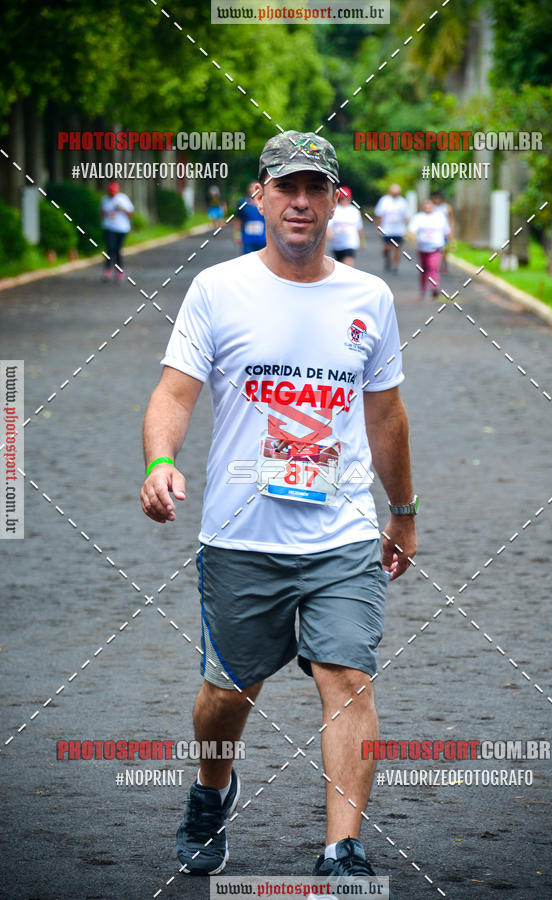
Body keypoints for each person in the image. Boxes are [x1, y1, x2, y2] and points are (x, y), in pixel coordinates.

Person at [140, 130, 418, 886]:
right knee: (226, 695)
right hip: (241, 535)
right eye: (285, 187)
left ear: (335, 201)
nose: (300, 202)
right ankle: (211, 790)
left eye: (314, 188)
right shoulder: (217, 289)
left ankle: (341, 850)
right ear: (258, 196)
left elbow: (385, 415)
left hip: (342, 533)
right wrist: (161, 461)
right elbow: (173, 393)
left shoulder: (368, 297)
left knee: (348, 678)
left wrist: (403, 509)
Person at [407, 197, 450, 299]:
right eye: (425, 206)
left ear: (433, 207)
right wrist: (412, 238)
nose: (428, 208)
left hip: (436, 247)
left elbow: (446, 231)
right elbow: (411, 230)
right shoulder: (418, 217)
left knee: (433, 267)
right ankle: (423, 288)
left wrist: (450, 243)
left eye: (429, 206)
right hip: (422, 247)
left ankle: (434, 287)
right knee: (424, 269)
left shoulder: (440, 217)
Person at [100, 181, 134, 282]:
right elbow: (101, 213)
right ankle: (107, 271)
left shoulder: (123, 198)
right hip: (109, 227)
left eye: (113, 192)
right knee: (110, 249)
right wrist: (107, 213)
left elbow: (131, 213)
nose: (112, 194)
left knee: (118, 250)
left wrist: (121, 208)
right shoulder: (104, 199)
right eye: (110, 192)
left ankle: (119, 271)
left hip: (122, 228)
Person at [373, 184, 408, 274]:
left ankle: (395, 265)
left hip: (398, 230)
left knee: (397, 248)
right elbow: (379, 214)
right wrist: (378, 226)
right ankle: (388, 260)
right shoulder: (384, 200)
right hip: (387, 229)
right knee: (386, 248)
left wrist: (407, 228)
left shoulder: (402, 202)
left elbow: (406, 216)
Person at [327, 185, 364, 266]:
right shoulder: (335, 210)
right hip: (337, 243)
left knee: (348, 263)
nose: (344, 200)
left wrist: (362, 241)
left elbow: (359, 227)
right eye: (342, 198)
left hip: (350, 243)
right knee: (339, 266)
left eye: (346, 198)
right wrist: (330, 235)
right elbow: (329, 226)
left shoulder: (354, 211)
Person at [233, 180, 266, 253]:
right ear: (248, 189)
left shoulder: (265, 202)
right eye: (251, 187)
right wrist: (237, 235)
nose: (253, 189)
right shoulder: (242, 203)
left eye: (255, 187)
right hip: (248, 240)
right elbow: (238, 220)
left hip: (263, 239)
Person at [430, 191, 454, 274]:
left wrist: (451, 231)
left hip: (444, 232)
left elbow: (451, 220)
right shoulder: (432, 207)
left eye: (438, 198)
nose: (436, 200)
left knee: (443, 251)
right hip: (434, 233)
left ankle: (445, 265)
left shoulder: (447, 208)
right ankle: (436, 266)